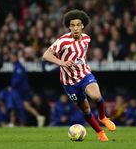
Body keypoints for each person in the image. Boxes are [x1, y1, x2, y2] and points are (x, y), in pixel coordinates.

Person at [42, 10, 116, 141]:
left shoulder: (87, 38)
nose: (75, 28)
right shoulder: (63, 41)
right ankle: (100, 132)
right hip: (69, 82)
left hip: (84, 75)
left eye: (78, 25)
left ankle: (103, 117)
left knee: (97, 96)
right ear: (69, 27)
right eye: (72, 25)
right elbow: (46, 55)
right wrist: (62, 63)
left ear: (83, 26)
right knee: (86, 110)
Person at [9, 50, 45, 127]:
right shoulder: (17, 66)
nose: (11, 59)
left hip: (20, 90)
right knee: (21, 105)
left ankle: (38, 116)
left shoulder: (18, 67)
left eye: (12, 57)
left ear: (16, 57)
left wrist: (11, 87)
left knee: (19, 105)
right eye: (10, 58)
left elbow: (17, 79)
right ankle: (38, 117)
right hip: (20, 90)